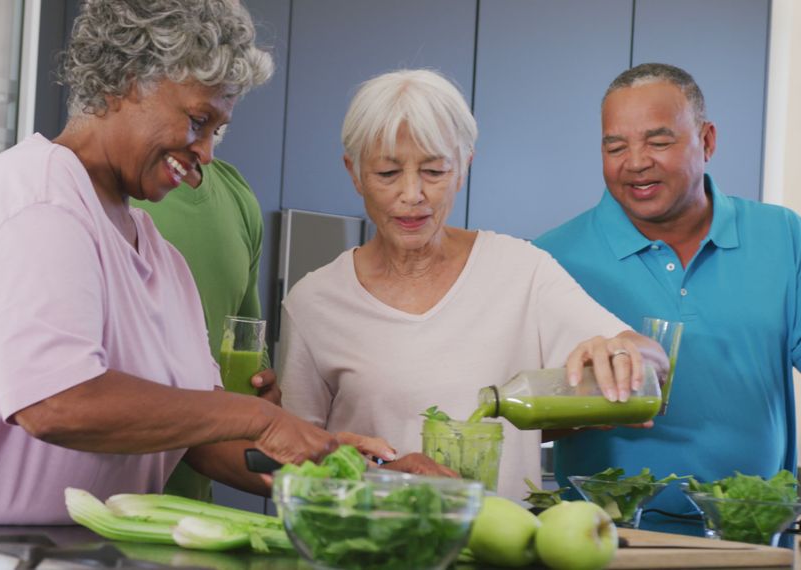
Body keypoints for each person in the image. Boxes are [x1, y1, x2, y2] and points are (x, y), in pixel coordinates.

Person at [0, 0, 419, 525]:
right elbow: (58, 403)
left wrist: (343, 470)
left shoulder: (159, 258)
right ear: (127, 81)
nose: (206, 152)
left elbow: (199, 439)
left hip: (28, 547)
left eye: (218, 130)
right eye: (197, 119)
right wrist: (258, 422)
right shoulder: (38, 195)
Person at [277, 69, 668, 501]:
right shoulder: (314, 302)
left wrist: (625, 351)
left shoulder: (522, 270)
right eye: (387, 173)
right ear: (354, 173)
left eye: (433, 171)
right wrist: (377, 473)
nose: (412, 194)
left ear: (463, 167)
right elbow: (293, 466)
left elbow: (651, 363)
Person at [535, 62, 801, 532]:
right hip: (602, 544)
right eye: (615, 146)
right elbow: (521, 419)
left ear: (708, 141)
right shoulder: (549, 259)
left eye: (658, 142)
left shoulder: (782, 235)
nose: (635, 162)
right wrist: (588, 403)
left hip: (751, 540)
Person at [132, 148, 269, 501]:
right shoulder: (112, 194)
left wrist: (262, 398)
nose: (204, 147)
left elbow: (246, 337)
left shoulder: (236, 194)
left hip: (192, 504)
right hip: (109, 504)